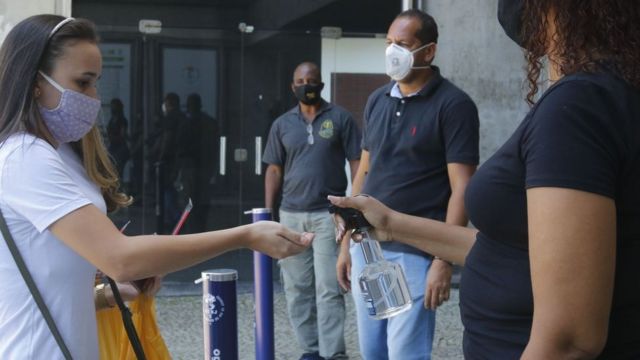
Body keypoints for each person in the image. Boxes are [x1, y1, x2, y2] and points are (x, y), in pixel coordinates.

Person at [331, 0, 640, 358]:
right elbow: (507, 250)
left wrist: (438, 263)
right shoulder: (607, 97)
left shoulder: (578, 108)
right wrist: (390, 223)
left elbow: (569, 339)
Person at [0, 15, 313, 359]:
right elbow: (119, 257)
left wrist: (108, 291)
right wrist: (244, 235)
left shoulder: (60, 153)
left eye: (95, 83)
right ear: (35, 83)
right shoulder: (23, 157)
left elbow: (52, 276)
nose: (93, 97)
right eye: (83, 82)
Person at [336, 9, 479, 360]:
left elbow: (462, 187)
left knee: (404, 355)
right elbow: (364, 173)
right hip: (367, 249)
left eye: (402, 44)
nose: (392, 51)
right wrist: (345, 244)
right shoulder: (377, 100)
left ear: (428, 52)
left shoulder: (454, 105)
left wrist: (443, 260)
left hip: (415, 254)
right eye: (388, 43)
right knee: (374, 353)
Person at [263, 62, 361, 360]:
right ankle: (310, 351)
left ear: (321, 84)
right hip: (291, 216)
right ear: (293, 86)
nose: (307, 85)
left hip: (328, 215)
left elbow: (358, 162)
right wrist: (267, 212)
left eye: (312, 80)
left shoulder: (341, 118)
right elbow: (274, 170)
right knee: (296, 289)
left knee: (329, 287)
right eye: (301, 81)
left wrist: (355, 204)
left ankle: (333, 353)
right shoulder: (282, 124)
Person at [106, 98, 130, 178]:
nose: (112, 108)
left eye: (114, 106)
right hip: (113, 147)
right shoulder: (112, 120)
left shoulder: (122, 120)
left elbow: (122, 135)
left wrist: (113, 137)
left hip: (120, 148)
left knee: (118, 170)